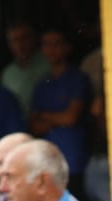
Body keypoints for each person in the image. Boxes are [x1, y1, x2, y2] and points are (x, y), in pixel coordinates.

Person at [29, 29, 93, 191]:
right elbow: (35, 126)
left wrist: (45, 116)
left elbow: (71, 118)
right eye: (46, 45)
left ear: (67, 47)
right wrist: (59, 118)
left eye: (56, 44)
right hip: (50, 163)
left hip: (76, 160)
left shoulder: (78, 78)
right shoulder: (42, 84)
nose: (51, 49)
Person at [1, 21, 49, 119]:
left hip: (45, 123)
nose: (20, 44)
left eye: (24, 38)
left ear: (33, 39)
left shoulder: (48, 64)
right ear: (10, 45)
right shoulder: (8, 73)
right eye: (14, 40)